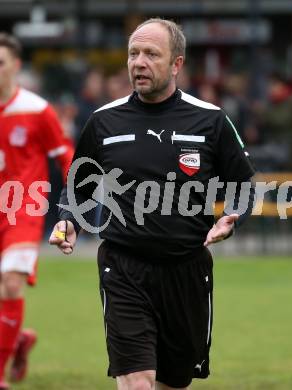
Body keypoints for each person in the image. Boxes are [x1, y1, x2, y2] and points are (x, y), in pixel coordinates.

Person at [49, 18, 255, 390]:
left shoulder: (210, 119)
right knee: (137, 381)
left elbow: (244, 182)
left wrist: (233, 216)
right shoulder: (103, 121)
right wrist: (68, 219)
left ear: (176, 63)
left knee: (172, 383)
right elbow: (78, 186)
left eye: (150, 54)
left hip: (187, 270)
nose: (138, 62)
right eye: (133, 53)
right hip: (124, 267)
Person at [0, 33, 74, 390]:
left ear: (15, 66)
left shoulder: (36, 110)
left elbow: (66, 157)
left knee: (11, 285)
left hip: (24, 209)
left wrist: (74, 204)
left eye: (0, 62)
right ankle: (19, 340)